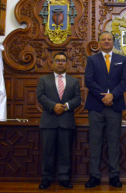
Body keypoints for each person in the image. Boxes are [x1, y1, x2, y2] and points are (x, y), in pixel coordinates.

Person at [84, 31, 126, 188]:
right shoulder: (92, 60)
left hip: (114, 106)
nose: (106, 42)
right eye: (103, 39)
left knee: (113, 142)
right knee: (95, 142)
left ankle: (114, 176)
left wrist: (113, 96)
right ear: (99, 42)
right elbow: (88, 81)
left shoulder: (121, 60)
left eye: (109, 39)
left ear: (113, 42)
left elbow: (124, 82)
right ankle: (94, 176)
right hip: (96, 106)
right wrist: (103, 96)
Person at [37, 52, 81, 189]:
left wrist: (66, 106)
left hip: (66, 122)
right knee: (47, 152)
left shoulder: (74, 81)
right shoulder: (44, 79)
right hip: (48, 122)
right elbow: (40, 96)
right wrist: (53, 106)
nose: (60, 63)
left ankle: (64, 178)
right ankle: (46, 179)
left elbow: (77, 99)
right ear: (52, 63)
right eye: (57, 60)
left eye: (63, 61)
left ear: (67, 63)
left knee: (65, 152)